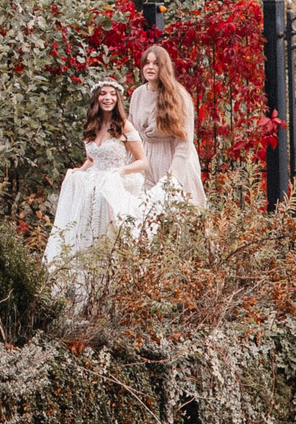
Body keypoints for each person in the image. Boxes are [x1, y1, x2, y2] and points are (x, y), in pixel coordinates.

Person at [43, 78, 153, 269]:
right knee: (83, 223)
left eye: (112, 94)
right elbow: (92, 159)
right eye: (103, 94)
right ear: (97, 98)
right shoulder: (92, 125)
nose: (108, 98)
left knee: (106, 222)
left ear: (117, 99)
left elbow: (142, 161)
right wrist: (80, 170)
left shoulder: (124, 126)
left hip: (114, 183)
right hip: (94, 181)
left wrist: (122, 171)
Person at [128, 44, 206, 206]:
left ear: (163, 67)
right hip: (146, 160)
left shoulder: (178, 96)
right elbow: (131, 132)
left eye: (155, 63)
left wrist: (173, 178)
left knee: (176, 216)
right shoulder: (138, 94)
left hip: (172, 160)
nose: (150, 67)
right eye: (147, 63)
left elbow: (184, 142)